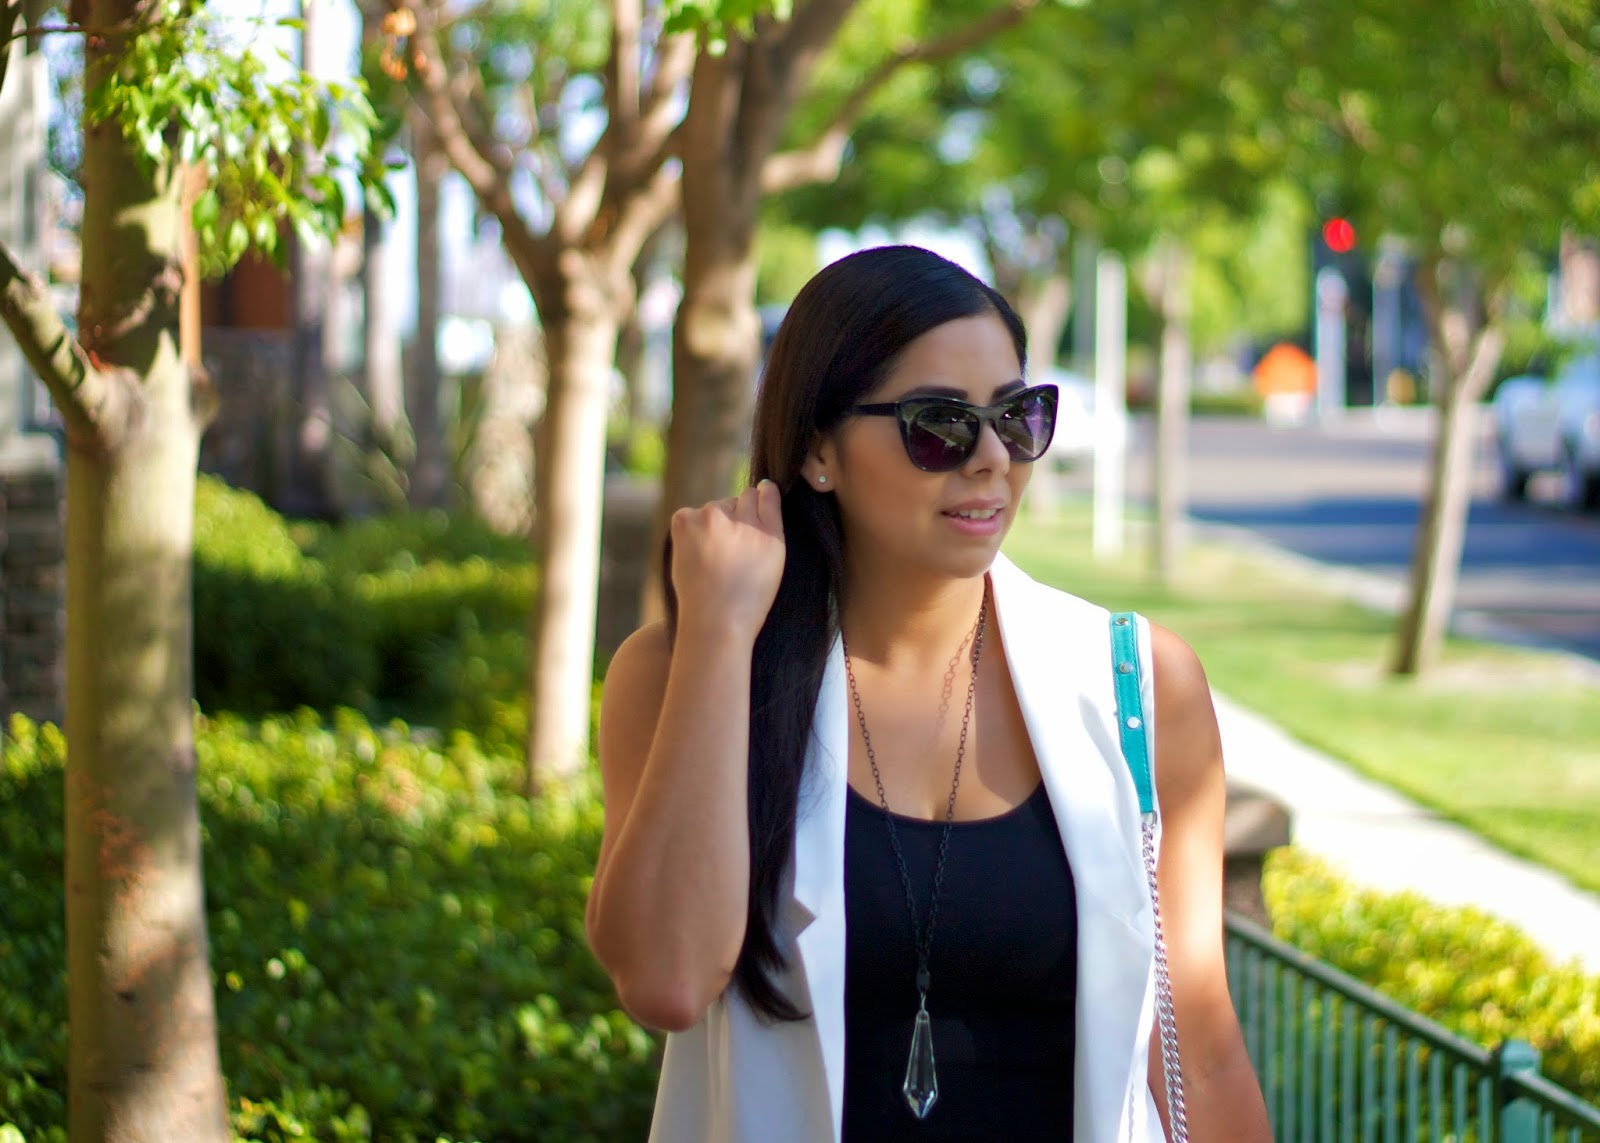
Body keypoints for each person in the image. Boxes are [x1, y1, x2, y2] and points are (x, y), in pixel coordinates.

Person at [585, 245, 1272, 1142]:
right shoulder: (683, 672)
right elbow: (666, 979)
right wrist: (719, 632)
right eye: (939, 424)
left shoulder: (1136, 687)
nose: (992, 458)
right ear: (817, 452)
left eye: (1018, 417)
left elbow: (1200, 1049)